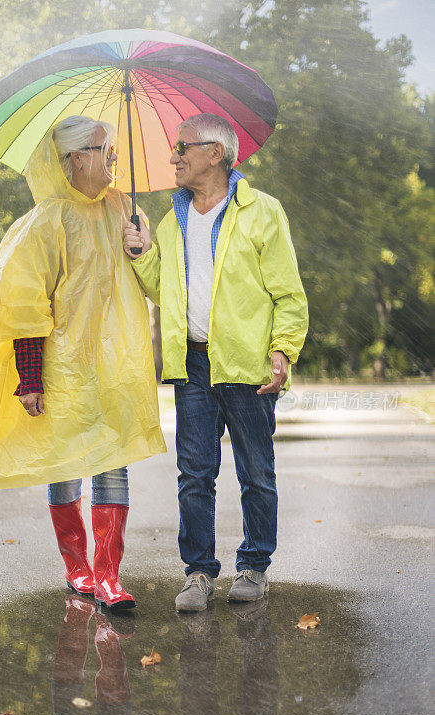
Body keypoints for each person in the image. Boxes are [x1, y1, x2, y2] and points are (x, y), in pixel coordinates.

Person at [0, 116, 166, 609]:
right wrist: (30, 377)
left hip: (117, 369)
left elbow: (157, 289)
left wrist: (142, 253)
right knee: (65, 467)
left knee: (114, 466)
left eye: (111, 146)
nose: (113, 155)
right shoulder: (46, 221)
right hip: (64, 371)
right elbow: (24, 304)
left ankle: (109, 576)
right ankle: (78, 569)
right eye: (102, 147)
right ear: (74, 159)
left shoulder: (128, 212)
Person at [123, 113, 308, 612]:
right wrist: (141, 255)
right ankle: (199, 572)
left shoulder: (262, 211)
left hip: (247, 366)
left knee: (256, 472)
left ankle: (253, 565)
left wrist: (282, 348)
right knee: (194, 474)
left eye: (182, 147)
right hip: (194, 365)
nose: (173, 156)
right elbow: (163, 290)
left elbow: (288, 293)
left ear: (215, 154)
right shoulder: (170, 218)